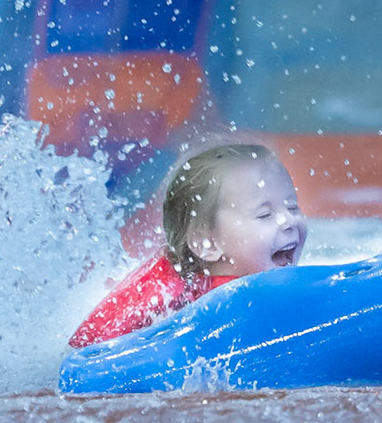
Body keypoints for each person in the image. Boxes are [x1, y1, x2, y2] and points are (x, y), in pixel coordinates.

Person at [68, 142, 307, 347]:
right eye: (265, 215)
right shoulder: (175, 297)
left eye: (292, 206)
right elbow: (86, 352)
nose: (288, 221)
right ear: (207, 243)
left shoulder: (239, 275)